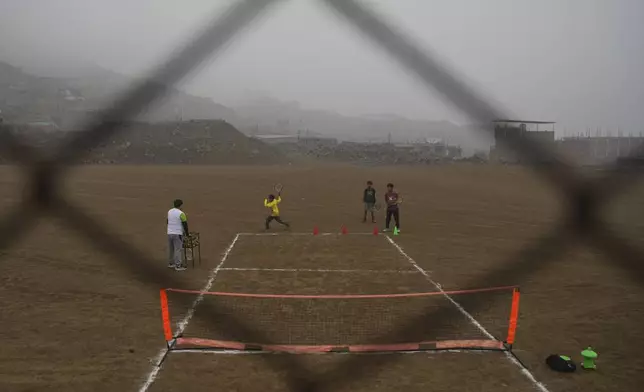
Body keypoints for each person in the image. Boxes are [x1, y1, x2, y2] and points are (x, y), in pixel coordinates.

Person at [167, 199, 189, 271]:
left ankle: (171, 263)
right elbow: (185, 224)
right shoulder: (181, 213)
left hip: (169, 233)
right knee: (178, 249)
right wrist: (187, 234)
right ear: (181, 205)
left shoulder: (169, 211)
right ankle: (178, 265)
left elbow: (167, 221)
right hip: (177, 233)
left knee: (171, 249)